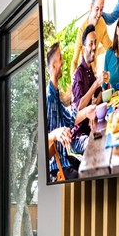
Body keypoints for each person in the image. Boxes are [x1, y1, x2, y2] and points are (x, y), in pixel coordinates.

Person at [45, 42, 94, 181]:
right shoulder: (48, 98)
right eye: (60, 58)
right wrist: (55, 134)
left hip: (65, 159)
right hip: (56, 169)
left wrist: (87, 112)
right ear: (54, 66)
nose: (63, 61)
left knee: (89, 166)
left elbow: (69, 119)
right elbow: (40, 142)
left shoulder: (55, 94)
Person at [70, 0, 113, 72]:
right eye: (97, 9)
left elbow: (110, 48)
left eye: (101, 10)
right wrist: (73, 82)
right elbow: (74, 61)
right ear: (91, 7)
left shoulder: (101, 23)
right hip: (82, 76)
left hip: (94, 74)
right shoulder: (82, 30)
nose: (99, 14)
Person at [72, 25, 109, 111]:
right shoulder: (78, 74)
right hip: (83, 124)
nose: (94, 47)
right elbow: (79, 107)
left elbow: (100, 92)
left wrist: (95, 103)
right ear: (84, 48)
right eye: (91, 44)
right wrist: (96, 83)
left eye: (95, 43)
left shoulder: (89, 70)